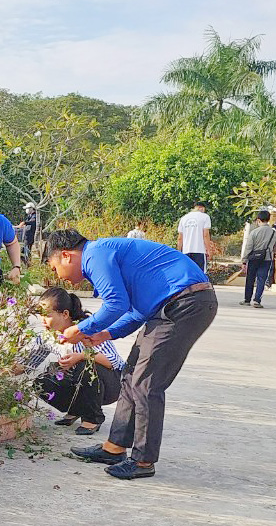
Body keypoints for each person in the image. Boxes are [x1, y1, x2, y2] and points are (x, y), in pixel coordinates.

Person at [43, 229, 217, 480]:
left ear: (67, 256)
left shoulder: (95, 256)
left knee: (146, 383)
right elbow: (135, 311)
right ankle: (114, 448)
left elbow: (115, 304)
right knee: (130, 375)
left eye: (54, 267)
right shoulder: (103, 254)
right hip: (170, 306)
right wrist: (106, 334)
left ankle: (143, 461)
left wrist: (79, 328)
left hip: (186, 302)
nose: (58, 276)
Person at [22, 287, 125, 435]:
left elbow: (113, 361)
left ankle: (92, 418)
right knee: (42, 382)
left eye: (47, 315)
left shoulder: (89, 329)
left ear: (65, 314)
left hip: (111, 384)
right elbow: (28, 363)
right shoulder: (47, 336)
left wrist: (81, 356)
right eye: (40, 315)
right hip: (79, 381)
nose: (42, 321)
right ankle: (75, 410)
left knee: (84, 366)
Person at [241, 210, 276, 308]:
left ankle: (247, 300)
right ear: (268, 219)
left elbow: (248, 247)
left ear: (258, 220)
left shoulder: (254, 232)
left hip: (254, 258)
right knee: (262, 279)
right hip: (267, 259)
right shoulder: (274, 233)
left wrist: (244, 261)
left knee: (250, 278)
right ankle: (257, 300)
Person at [177, 201, 212, 271]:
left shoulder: (184, 218)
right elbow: (205, 235)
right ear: (201, 208)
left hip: (186, 251)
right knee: (200, 274)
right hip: (199, 250)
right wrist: (209, 250)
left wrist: (179, 252)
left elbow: (180, 238)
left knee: (188, 273)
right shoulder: (205, 217)